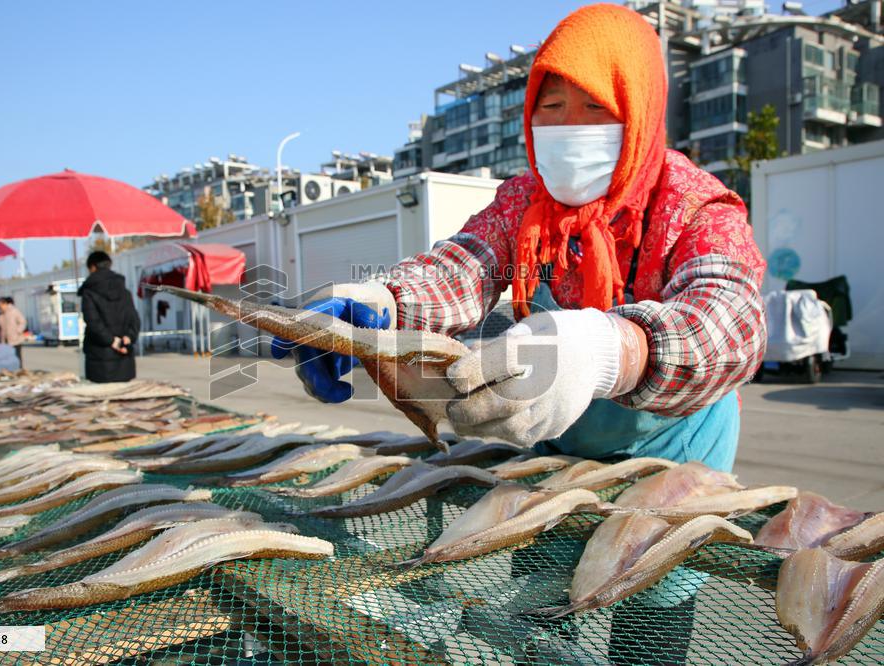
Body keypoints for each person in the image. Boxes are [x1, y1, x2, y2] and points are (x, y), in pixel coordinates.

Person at [273, 5, 766, 664]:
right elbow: (463, 267)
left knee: (648, 616)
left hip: (674, 458)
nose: (568, 129)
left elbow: (732, 323)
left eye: (595, 108)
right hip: (556, 448)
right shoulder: (523, 202)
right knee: (539, 620)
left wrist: (610, 350)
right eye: (550, 107)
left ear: (641, 109)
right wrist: (382, 301)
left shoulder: (696, 205)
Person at [78, 251, 140, 383]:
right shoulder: (125, 291)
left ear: (92, 267)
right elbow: (134, 319)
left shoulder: (89, 293)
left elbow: (93, 322)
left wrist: (111, 341)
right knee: (125, 395)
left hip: (99, 360)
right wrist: (129, 337)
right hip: (124, 359)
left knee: (103, 395)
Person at [0, 296, 27, 368]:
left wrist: (18, 331)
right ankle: (10, 370)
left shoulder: (14, 311)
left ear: (5, 304)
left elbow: (23, 322)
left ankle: (19, 370)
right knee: (7, 358)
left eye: (0, 306)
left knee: (16, 357)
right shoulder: (0, 315)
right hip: (5, 340)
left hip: (15, 339)